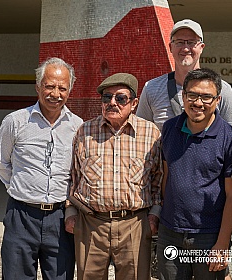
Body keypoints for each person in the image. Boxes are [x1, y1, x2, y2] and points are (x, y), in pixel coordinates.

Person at [65, 73, 163, 280]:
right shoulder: (84, 131)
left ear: (134, 103)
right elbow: (73, 177)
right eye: (106, 97)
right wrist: (70, 212)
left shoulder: (151, 134)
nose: (112, 103)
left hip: (134, 224)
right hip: (91, 223)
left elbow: (158, 179)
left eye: (120, 98)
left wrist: (154, 215)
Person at [0, 57, 82, 279]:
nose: (56, 94)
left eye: (62, 88)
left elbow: (77, 172)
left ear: (70, 90)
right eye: (49, 86)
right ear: (38, 87)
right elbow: (2, 164)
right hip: (21, 216)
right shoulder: (15, 121)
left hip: (61, 219)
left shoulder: (77, 126)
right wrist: (22, 190)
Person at [156, 68, 232, 280]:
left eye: (206, 97)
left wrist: (222, 243)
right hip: (170, 233)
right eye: (192, 95)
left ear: (217, 100)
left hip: (209, 236)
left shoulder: (230, 138)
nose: (198, 103)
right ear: (183, 96)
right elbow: (167, 177)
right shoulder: (169, 129)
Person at [136, 18, 232, 133]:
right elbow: (141, 133)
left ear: (201, 47)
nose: (186, 48)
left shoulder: (222, 89)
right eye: (179, 42)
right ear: (171, 47)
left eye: (191, 42)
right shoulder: (152, 88)